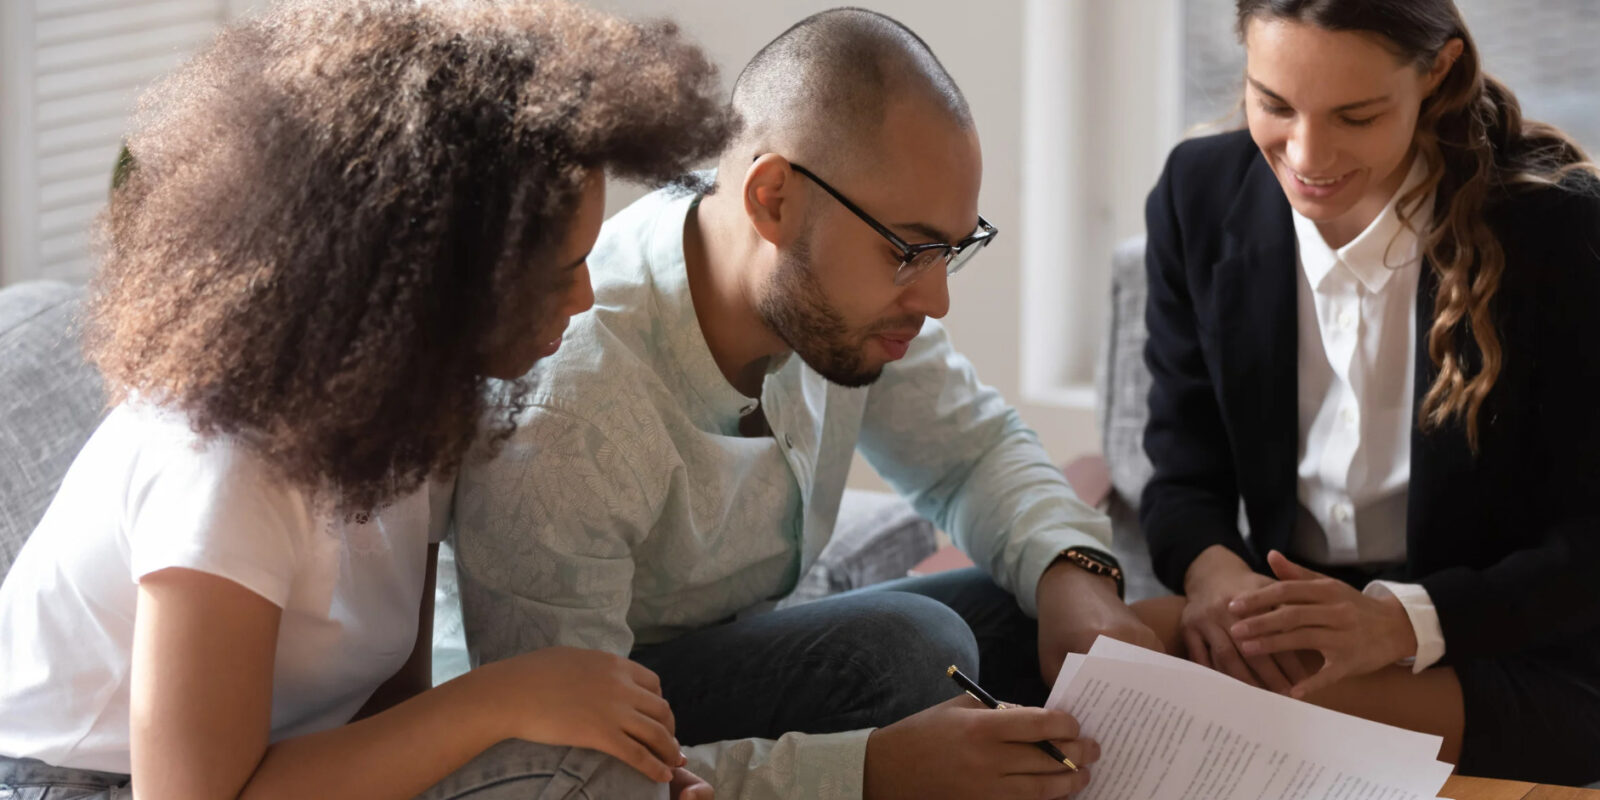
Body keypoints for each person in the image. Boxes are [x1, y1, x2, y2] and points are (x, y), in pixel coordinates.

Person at [0, 1, 733, 798]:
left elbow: (390, 717)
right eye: (562, 269)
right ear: (438, 278)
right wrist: (502, 700)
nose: (587, 297)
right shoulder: (224, 464)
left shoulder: (419, 411)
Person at [453, 8, 1152, 800]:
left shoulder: (837, 309)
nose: (937, 299)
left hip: (716, 660)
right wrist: (869, 770)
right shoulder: (571, 411)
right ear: (774, 199)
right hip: (588, 713)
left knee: (1041, 607)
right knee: (912, 653)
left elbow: (972, 454)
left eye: (953, 250)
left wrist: (1077, 574)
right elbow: (558, 771)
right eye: (909, 250)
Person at [1135, 0, 1600, 786]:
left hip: (1502, 636)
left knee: (1217, 716)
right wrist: (1217, 575)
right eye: (1274, 104)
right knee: (1100, 653)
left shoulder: (1559, 232)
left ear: (1438, 71)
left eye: (1356, 115)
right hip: (1299, 614)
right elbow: (1182, 469)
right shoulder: (1198, 195)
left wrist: (1402, 622)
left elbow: (1587, 546)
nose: (1307, 155)